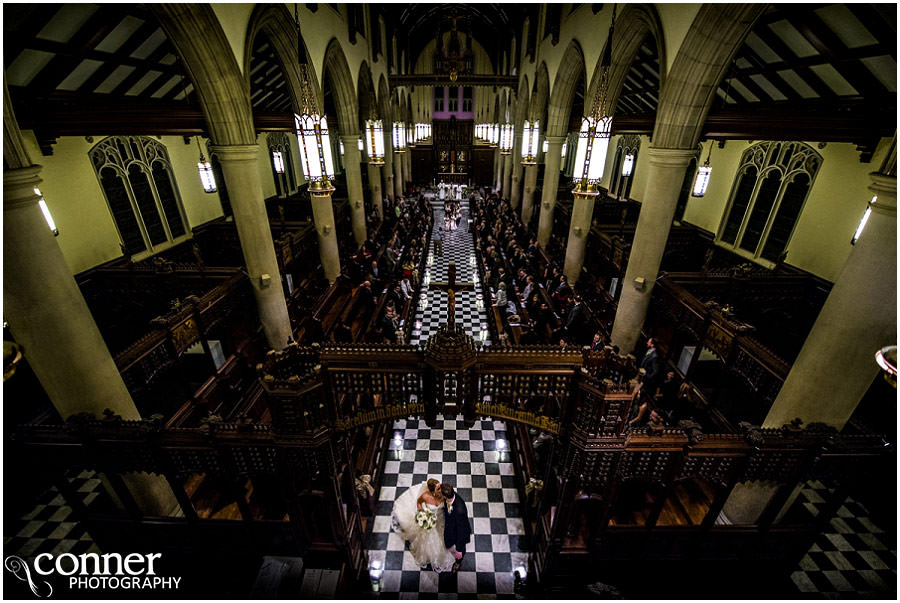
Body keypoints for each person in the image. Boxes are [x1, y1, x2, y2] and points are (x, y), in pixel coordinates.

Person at [391, 479, 456, 572]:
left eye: (440, 486)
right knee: (429, 541)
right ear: (432, 491)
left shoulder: (443, 494)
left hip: (441, 518)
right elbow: (419, 502)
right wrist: (422, 513)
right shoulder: (425, 496)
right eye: (438, 488)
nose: (441, 489)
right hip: (430, 521)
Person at [440, 483, 472, 572]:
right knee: (448, 541)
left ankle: (458, 562)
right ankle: (449, 543)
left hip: (459, 533)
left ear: (445, 496)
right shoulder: (451, 496)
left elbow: (461, 533)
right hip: (451, 527)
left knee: (460, 551)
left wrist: (459, 549)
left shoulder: (460, 511)